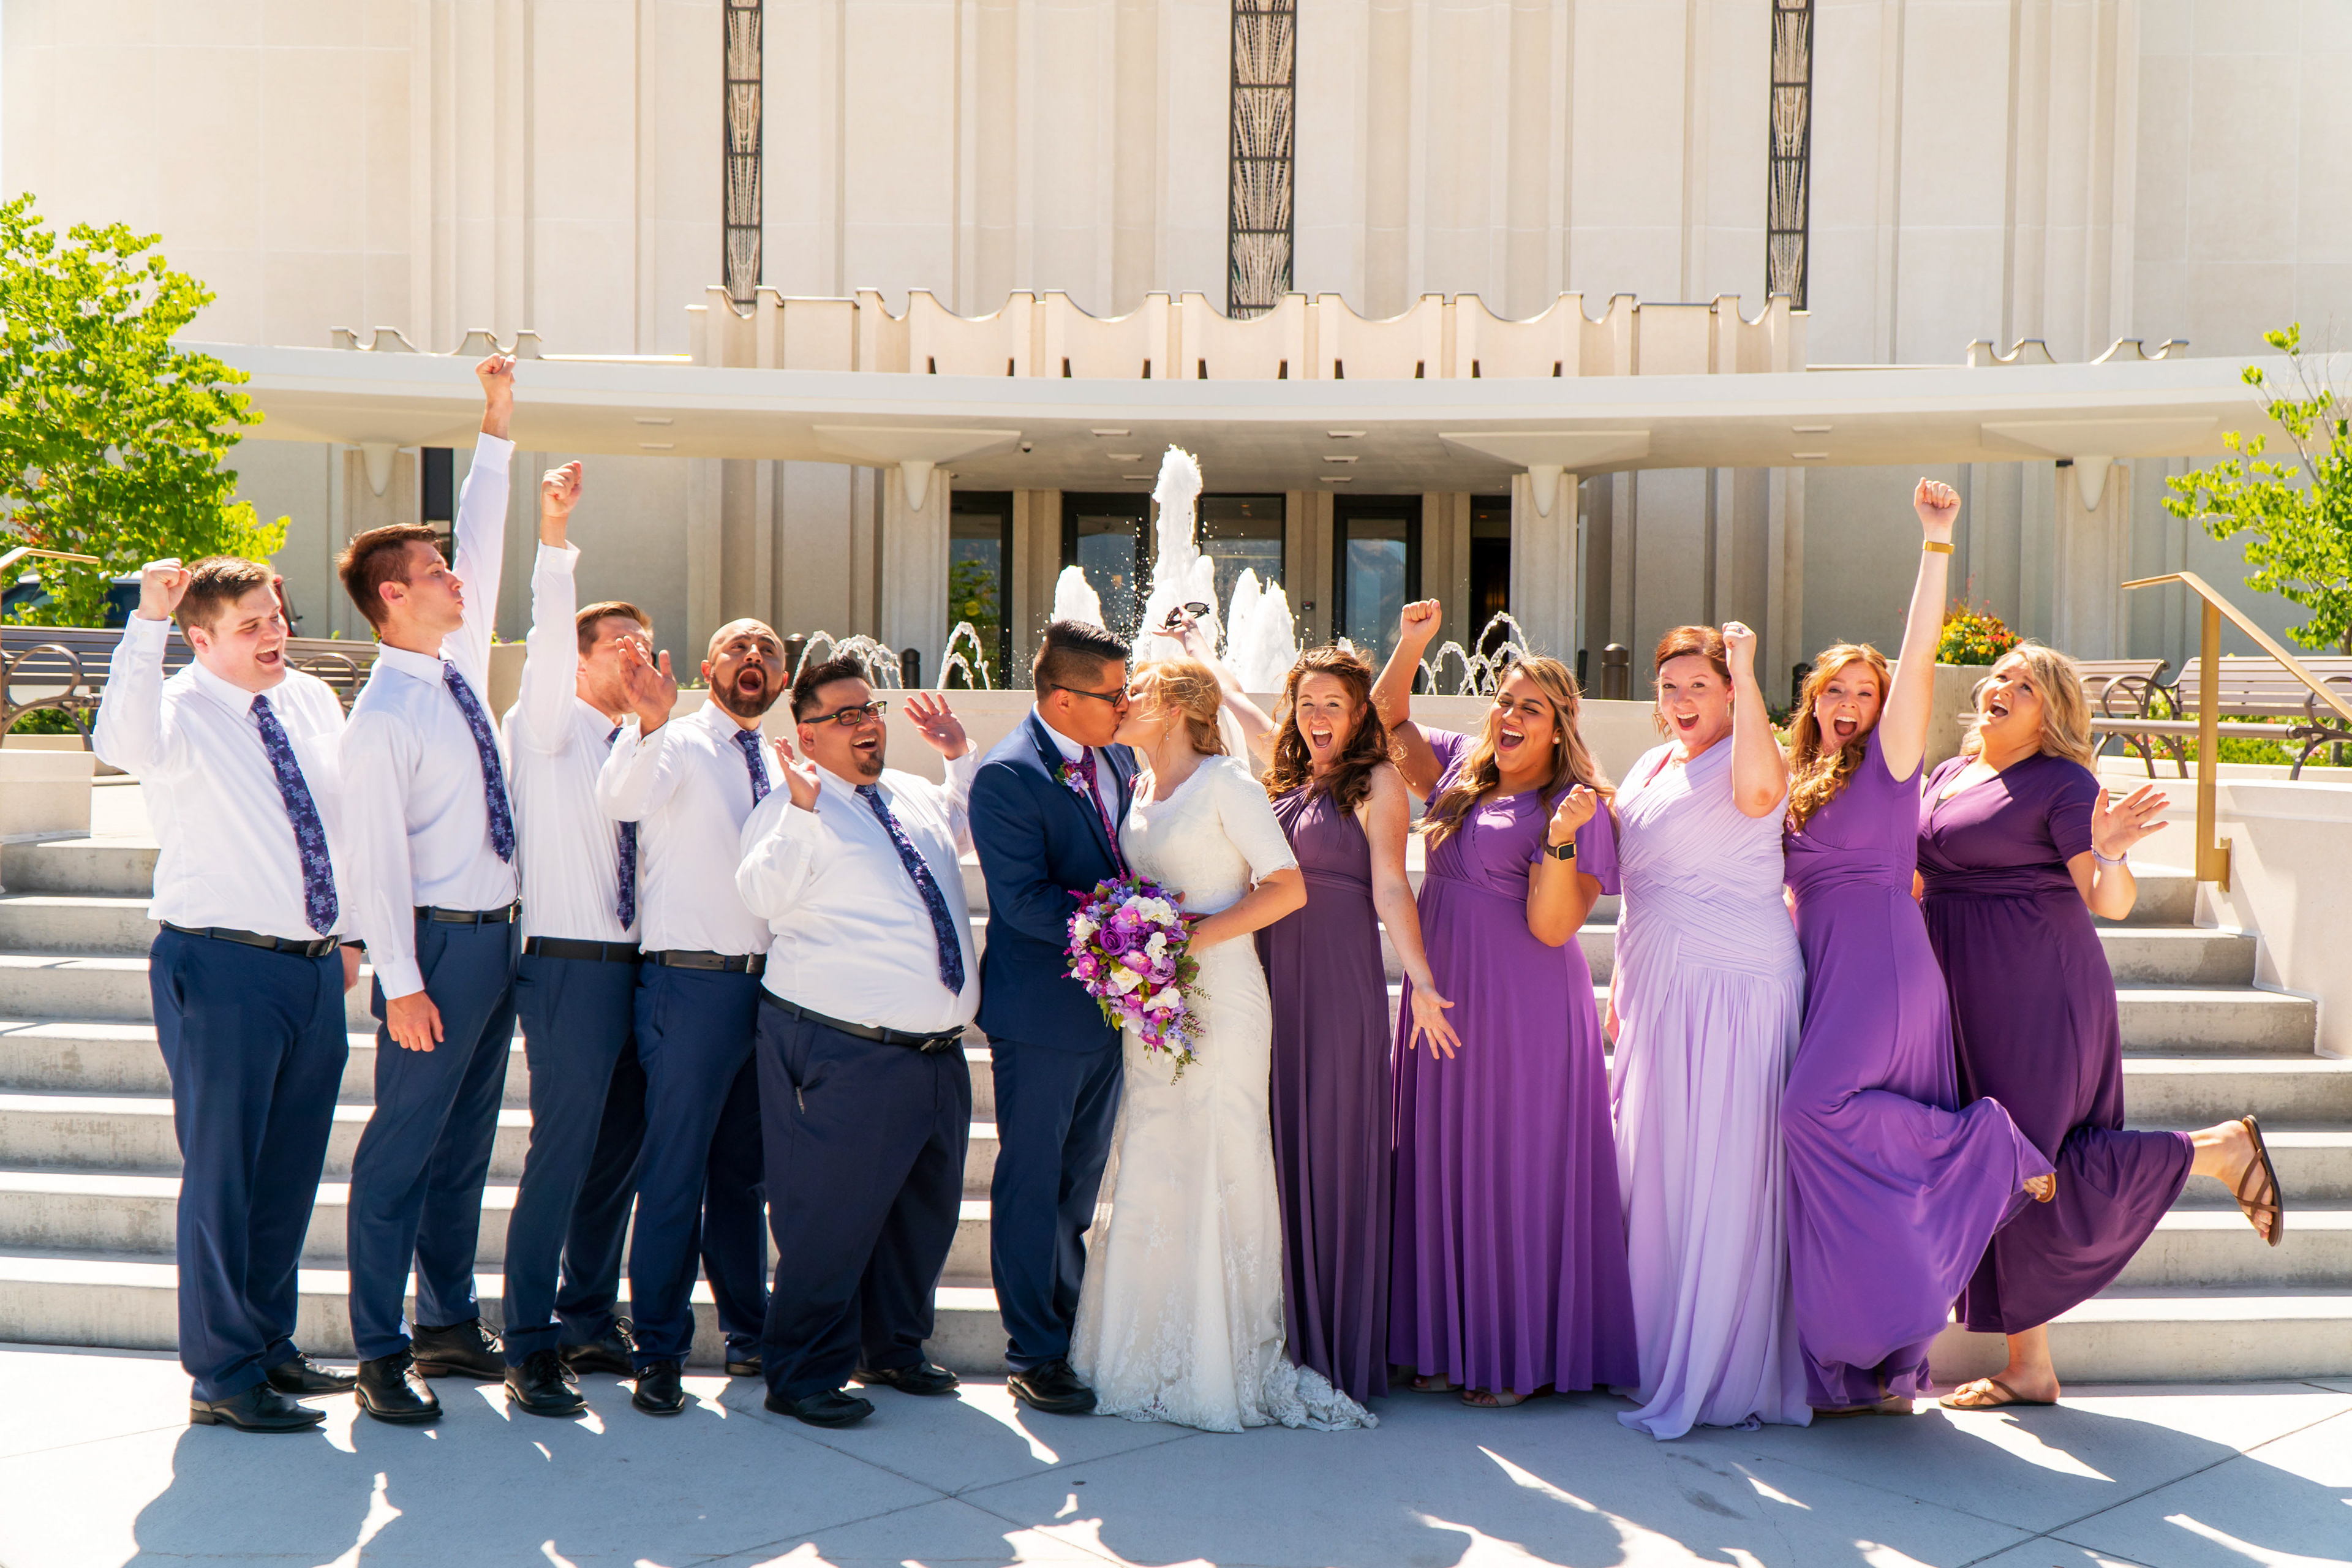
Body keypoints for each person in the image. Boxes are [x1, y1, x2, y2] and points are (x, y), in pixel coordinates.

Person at [1922, 642, 2283, 1411]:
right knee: (1995, 1155)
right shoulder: (1948, 773)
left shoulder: (2062, 782)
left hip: (2035, 990)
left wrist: (2111, 854)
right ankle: (2031, 1368)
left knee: (2038, 1157)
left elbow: (2107, 899)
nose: (2001, 688)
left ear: (2050, 713)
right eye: (2000, 676)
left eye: (2025, 686)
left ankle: (2213, 1150)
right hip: (1958, 989)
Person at [1779, 480, 2054, 1420]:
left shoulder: (1892, 763)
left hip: (1887, 971)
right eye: (1836, 690)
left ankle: (1985, 1141)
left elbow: (1919, 653)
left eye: (1866, 692)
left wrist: (1936, 542)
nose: (1852, 702)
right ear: (1813, 699)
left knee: (1810, 1113)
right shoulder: (1803, 777)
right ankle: (1882, 1367)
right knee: (1871, 1179)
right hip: (1829, 974)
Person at [94, 556, 366, 1433]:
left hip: (312, 967)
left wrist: (351, 932)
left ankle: (267, 1344)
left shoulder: (309, 700)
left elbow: (338, 821)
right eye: (249, 626)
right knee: (223, 1174)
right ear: (200, 639)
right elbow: (118, 744)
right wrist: (147, 621)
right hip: (221, 967)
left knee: (287, 1170)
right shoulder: (172, 711)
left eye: (275, 616)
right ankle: (221, 1372)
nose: (273, 635)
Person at [1070, 658, 1375, 1431]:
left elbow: (1286, 886)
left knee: (1219, 1150)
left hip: (1223, 996)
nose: (1121, 701)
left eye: (1137, 692)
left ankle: (1223, 1358)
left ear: (1176, 707)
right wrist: (1131, 952)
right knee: (1154, 1151)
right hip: (1156, 1003)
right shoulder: (1137, 787)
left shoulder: (1227, 783)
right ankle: (1145, 1351)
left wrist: (1179, 943)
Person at [1165, 617, 1455, 1404]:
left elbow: (1391, 885)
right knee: (1274, 1143)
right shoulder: (1282, 777)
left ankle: (1336, 1347)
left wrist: (1421, 979)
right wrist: (1199, 654)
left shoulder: (1377, 781)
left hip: (1335, 986)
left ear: (1360, 714)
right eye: (1307, 703)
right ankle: (1282, 1332)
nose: (1318, 716)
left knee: (1329, 1148)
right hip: (1268, 979)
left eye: (1334, 703)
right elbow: (1240, 704)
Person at [1373, 604, 1637, 1410]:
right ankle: (1441, 1343)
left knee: (1511, 1167)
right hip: (1441, 993)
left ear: (1560, 728)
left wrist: (1559, 838)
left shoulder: (1579, 804)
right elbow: (1386, 718)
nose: (1511, 715)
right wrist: (1412, 643)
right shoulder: (1459, 766)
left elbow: (1553, 926)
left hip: (1523, 1009)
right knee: (1438, 1156)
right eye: (1505, 701)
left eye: (1532, 708)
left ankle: (1517, 1357)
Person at [337, 355, 524, 1425]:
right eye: (436, 571)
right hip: (436, 950)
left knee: (464, 1145)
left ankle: (448, 1321)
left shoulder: (454, 670)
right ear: (395, 598)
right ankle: (380, 1350)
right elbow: (373, 865)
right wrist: (401, 983)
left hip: (496, 941)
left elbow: (486, 543)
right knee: (402, 1151)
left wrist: (494, 426)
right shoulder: (383, 719)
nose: (458, 579)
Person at [735, 659, 979, 1428]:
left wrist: (958, 757)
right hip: (844, 1050)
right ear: (805, 735)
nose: (866, 722)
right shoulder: (788, 807)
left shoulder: (907, 792)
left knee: (922, 1215)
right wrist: (804, 810)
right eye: (844, 715)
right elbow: (761, 895)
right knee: (829, 1220)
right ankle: (801, 1374)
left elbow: (956, 833)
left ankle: (893, 1347)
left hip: (934, 1053)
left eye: (868, 708)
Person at [1608, 621, 1809, 1439]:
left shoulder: (1752, 754)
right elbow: (1637, 881)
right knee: (1663, 1161)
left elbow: (1760, 800)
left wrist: (1749, 667)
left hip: (1735, 986)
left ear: (1730, 692)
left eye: (1701, 685)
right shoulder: (1650, 763)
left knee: (1721, 1164)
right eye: (1670, 686)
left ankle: (1721, 1365)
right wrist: (1622, 980)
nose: (1682, 699)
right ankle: (1650, 1342)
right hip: (1659, 978)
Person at [494, 461, 656, 1415]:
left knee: (616, 1158)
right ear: (580, 660)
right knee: (561, 1158)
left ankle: (589, 1316)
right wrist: (554, 537)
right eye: (620, 643)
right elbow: (549, 637)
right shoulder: (546, 727)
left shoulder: (642, 739)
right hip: (568, 970)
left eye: (648, 644)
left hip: (643, 973)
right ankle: (529, 1343)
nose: (639, 655)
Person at [596, 620, 785, 1414]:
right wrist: (647, 722)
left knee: (743, 1178)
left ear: (783, 677)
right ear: (709, 667)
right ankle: (660, 1351)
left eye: (769, 651)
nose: (754, 658)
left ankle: (749, 1333)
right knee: (674, 1173)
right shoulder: (673, 740)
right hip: (691, 988)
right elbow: (619, 798)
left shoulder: (781, 760)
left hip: (768, 994)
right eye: (739, 648)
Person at [969, 619, 1137, 1417]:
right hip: (1040, 1015)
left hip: (1108, 1013)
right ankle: (1033, 1353)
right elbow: (1026, 903)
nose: (1127, 705)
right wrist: (1134, 929)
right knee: (1033, 1184)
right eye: (1114, 695)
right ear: (1063, 699)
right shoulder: (1008, 776)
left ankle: (1069, 1332)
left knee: (1078, 1185)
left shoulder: (1120, 758)